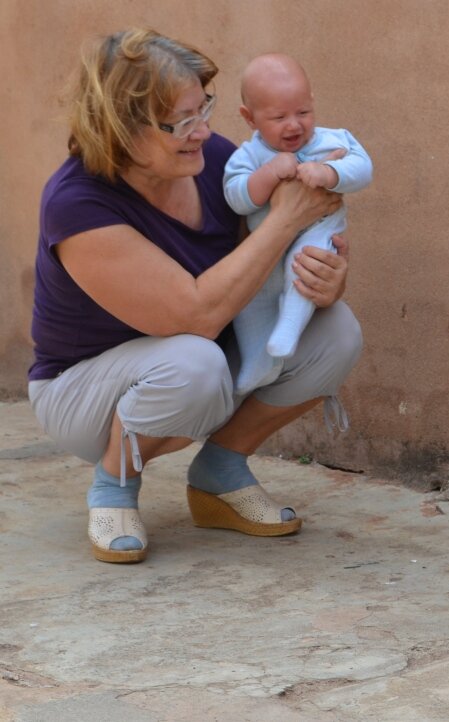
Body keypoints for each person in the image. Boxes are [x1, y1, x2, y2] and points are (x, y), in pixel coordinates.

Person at [28, 28, 363, 564]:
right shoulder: (77, 203)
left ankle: (219, 474)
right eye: (182, 122)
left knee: (336, 331)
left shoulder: (214, 162)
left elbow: (269, 267)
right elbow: (196, 315)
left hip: (185, 365)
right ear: (122, 126)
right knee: (195, 361)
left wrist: (324, 281)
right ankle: (114, 484)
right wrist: (286, 220)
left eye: (202, 110)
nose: (203, 132)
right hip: (83, 391)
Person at [225, 54, 372, 394]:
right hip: (264, 249)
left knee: (305, 268)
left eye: (303, 112)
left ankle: (289, 326)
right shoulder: (247, 157)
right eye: (279, 117)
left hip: (317, 233)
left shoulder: (332, 141)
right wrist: (267, 175)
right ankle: (258, 362)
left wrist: (329, 173)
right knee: (250, 302)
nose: (294, 125)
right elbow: (236, 196)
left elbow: (363, 169)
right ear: (249, 118)